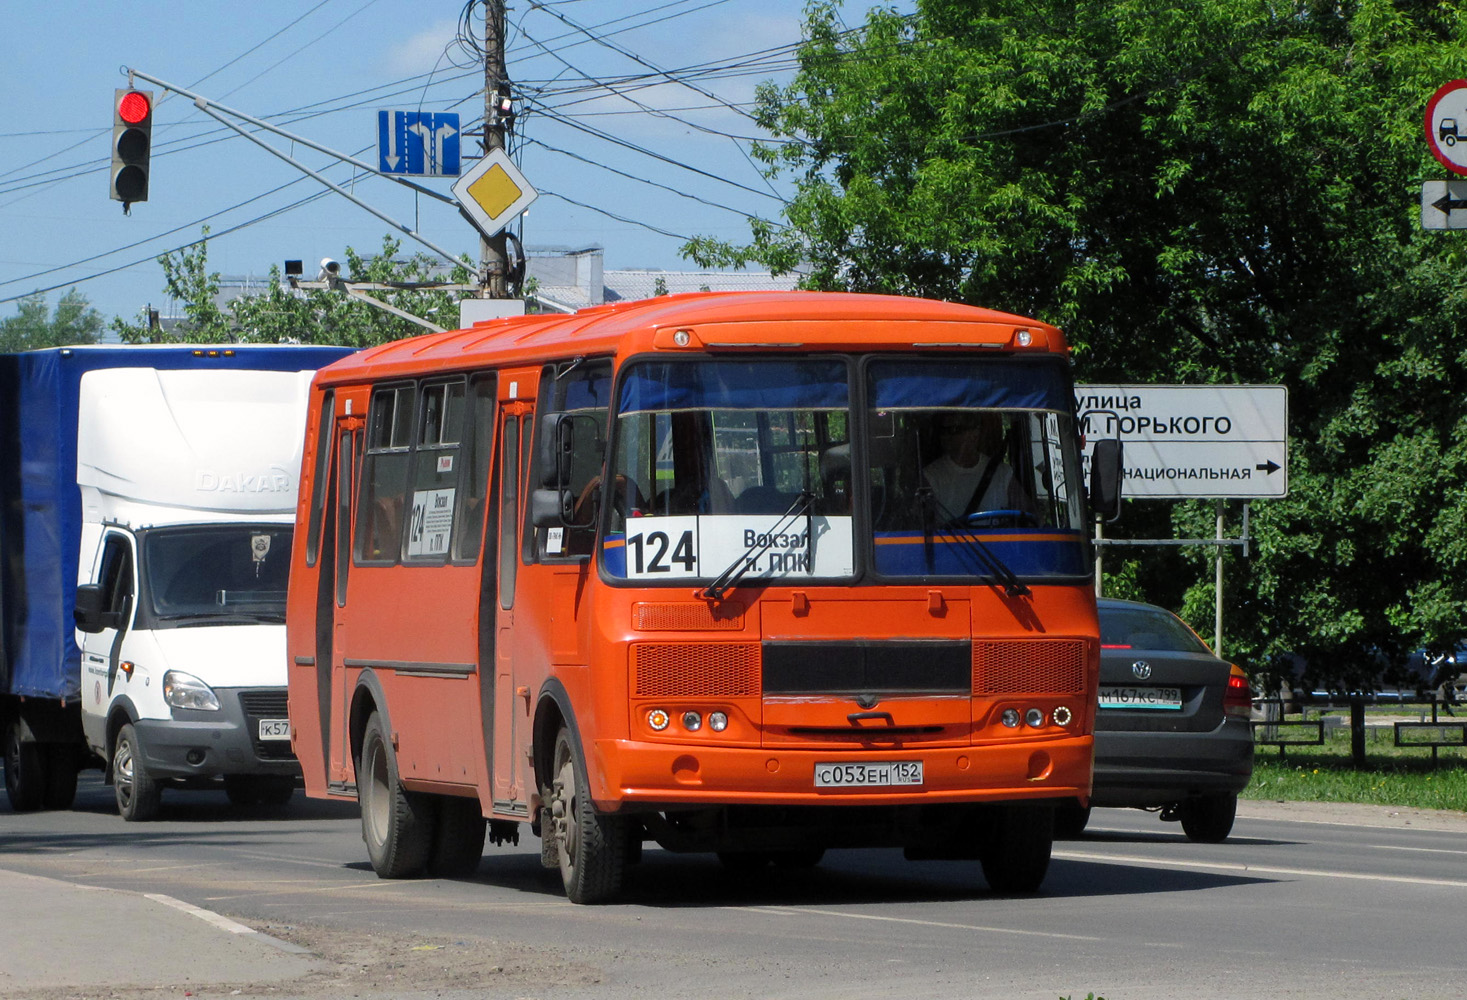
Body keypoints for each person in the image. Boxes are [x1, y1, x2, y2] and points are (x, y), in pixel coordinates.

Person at [922, 412, 1029, 522]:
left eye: (955, 430)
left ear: (975, 433)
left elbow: (1031, 517)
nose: (947, 437)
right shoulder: (931, 476)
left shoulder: (1003, 474)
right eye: (943, 431)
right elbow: (919, 526)